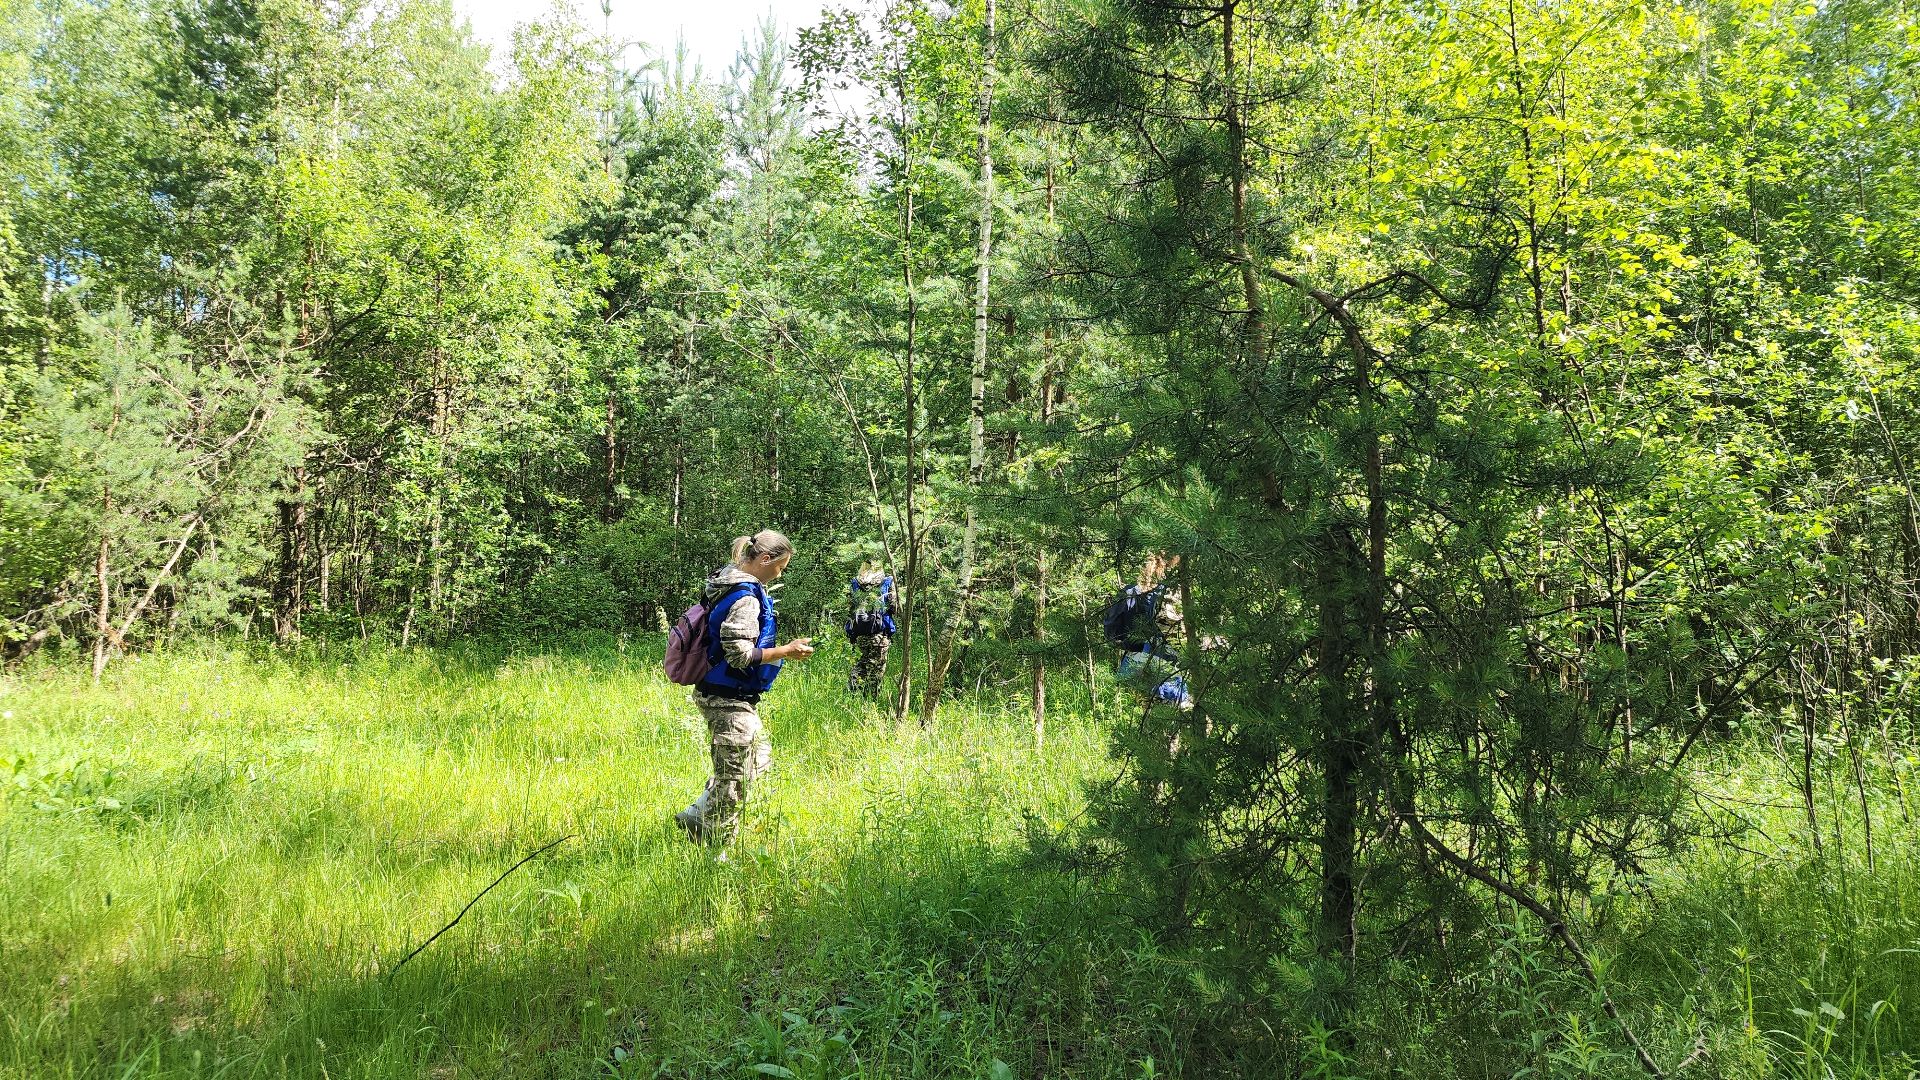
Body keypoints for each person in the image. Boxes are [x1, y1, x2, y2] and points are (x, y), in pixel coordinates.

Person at [674, 530, 814, 849]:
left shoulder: (730, 583)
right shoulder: (746, 597)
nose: (781, 572)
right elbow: (738, 655)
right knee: (735, 776)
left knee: (758, 758)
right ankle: (717, 850)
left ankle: (697, 813)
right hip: (726, 698)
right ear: (765, 559)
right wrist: (785, 651)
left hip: (728, 694)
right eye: (780, 567)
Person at [844, 560, 896, 699]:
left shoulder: (855, 583)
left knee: (860, 665)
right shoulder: (887, 581)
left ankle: (851, 697)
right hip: (880, 635)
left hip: (859, 633)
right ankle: (872, 701)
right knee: (876, 670)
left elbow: (850, 608)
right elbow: (894, 606)